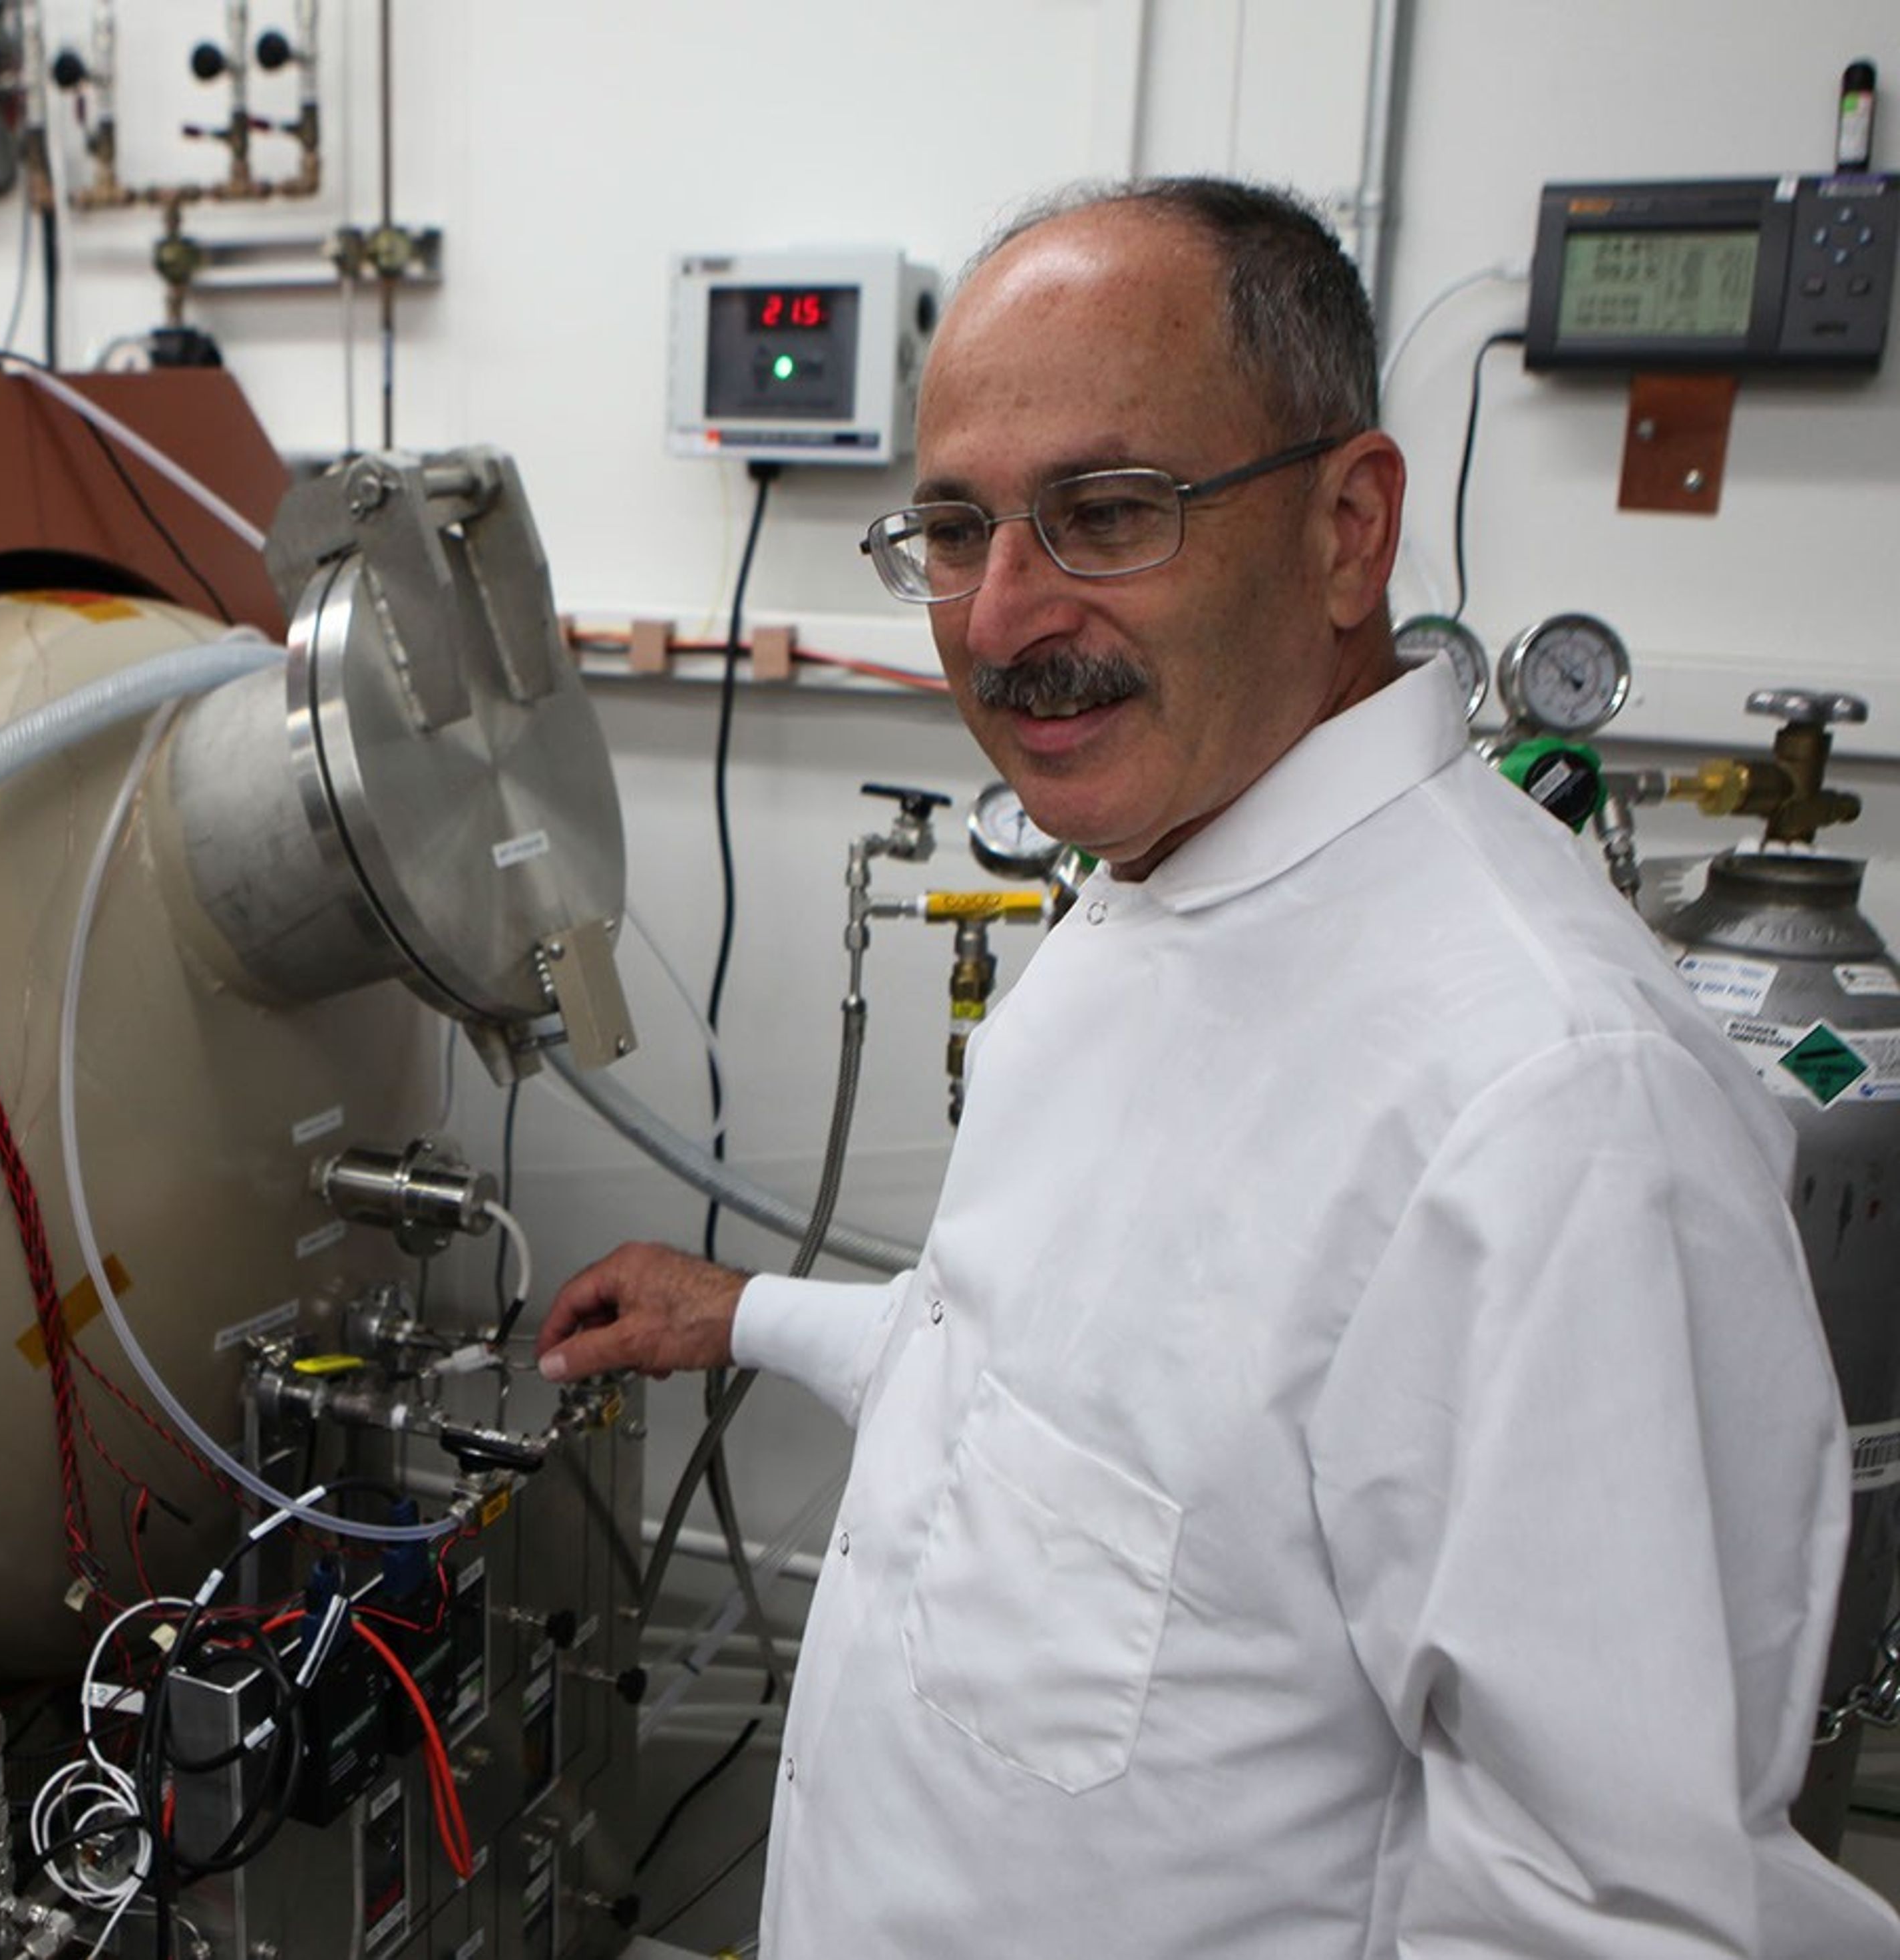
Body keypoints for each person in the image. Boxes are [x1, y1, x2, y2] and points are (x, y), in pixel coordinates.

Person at [536, 178, 1900, 1958]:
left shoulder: (1546, 1115)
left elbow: (1613, 1919)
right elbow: (1088, 1434)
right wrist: (749, 1313)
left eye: (1108, 511)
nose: (1004, 611)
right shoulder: (1173, 873)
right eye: (955, 526)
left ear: (1348, 529)